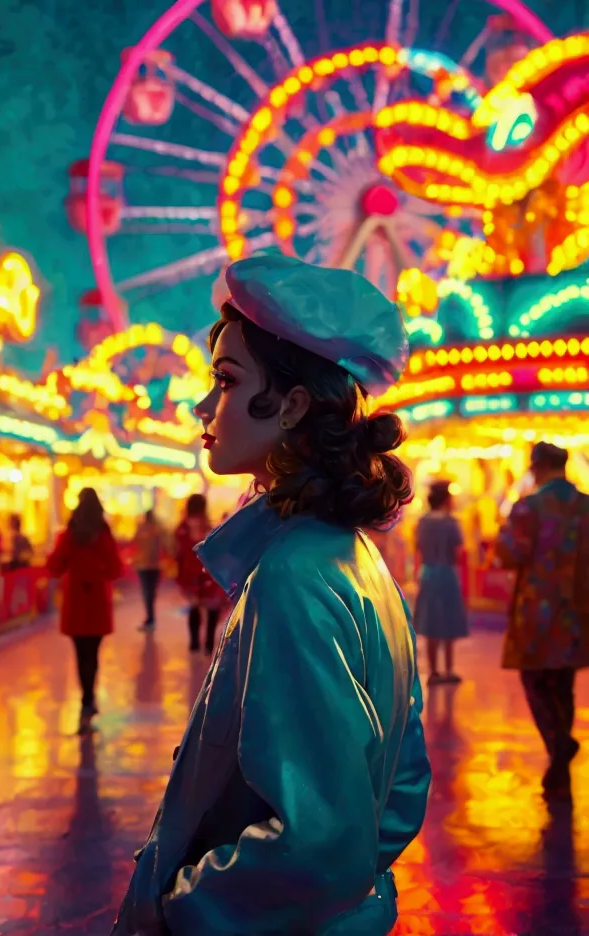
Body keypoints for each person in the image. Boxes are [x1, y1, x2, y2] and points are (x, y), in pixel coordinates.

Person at [112, 252, 430, 936]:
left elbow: (313, 842)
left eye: (226, 381)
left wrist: (180, 910)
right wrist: (356, 892)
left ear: (290, 405)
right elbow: (402, 789)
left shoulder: (293, 576)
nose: (202, 407)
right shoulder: (356, 559)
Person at [496, 442, 589, 800]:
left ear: (536, 467)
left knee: (535, 679)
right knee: (563, 682)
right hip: (578, 609)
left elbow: (509, 554)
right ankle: (559, 758)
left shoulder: (529, 507)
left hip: (537, 610)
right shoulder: (585, 505)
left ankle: (559, 745)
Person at [47, 488, 123, 734]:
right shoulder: (104, 533)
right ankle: (89, 701)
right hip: (97, 600)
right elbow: (115, 569)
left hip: (77, 600)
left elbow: (55, 566)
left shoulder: (69, 534)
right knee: (94, 654)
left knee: (81, 655)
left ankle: (86, 700)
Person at [413, 480, 469, 685]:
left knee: (431, 622)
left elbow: (418, 547)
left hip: (427, 573)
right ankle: (449, 669)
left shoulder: (423, 522)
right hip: (447, 574)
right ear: (446, 499)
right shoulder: (451, 523)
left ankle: (433, 671)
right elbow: (458, 551)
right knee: (448, 621)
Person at [174, 493, 222, 656]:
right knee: (212, 608)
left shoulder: (183, 527)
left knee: (194, 606)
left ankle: (194, 642)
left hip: (189, 572)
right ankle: (208, 643)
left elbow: (179, 550)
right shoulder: (208, 525)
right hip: (207, 571)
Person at [133, 509, 164, 632]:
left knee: (147, 592)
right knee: (150, 592)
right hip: (154, 565)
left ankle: (150, 618)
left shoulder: (142, 529)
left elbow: (135, 541)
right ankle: (150, 618)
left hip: (144, 565)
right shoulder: (157, 529)